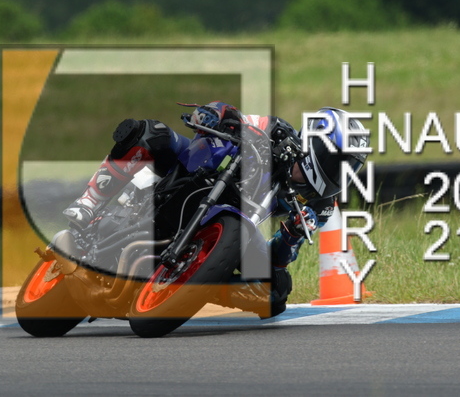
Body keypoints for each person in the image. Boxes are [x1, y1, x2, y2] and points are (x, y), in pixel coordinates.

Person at [63, 101, 368, 317]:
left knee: (275, 293)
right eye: (339, 161)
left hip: (234, 222)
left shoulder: (320, 206)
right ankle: (89, 203)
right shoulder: (278, 132)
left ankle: (198, 286)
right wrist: (213, 115)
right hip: (196, 174)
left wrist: (290, 236)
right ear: (317, 142)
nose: (341, 172)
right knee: (151, 132)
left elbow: (277, 261)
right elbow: (226, 113)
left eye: (350, 167)